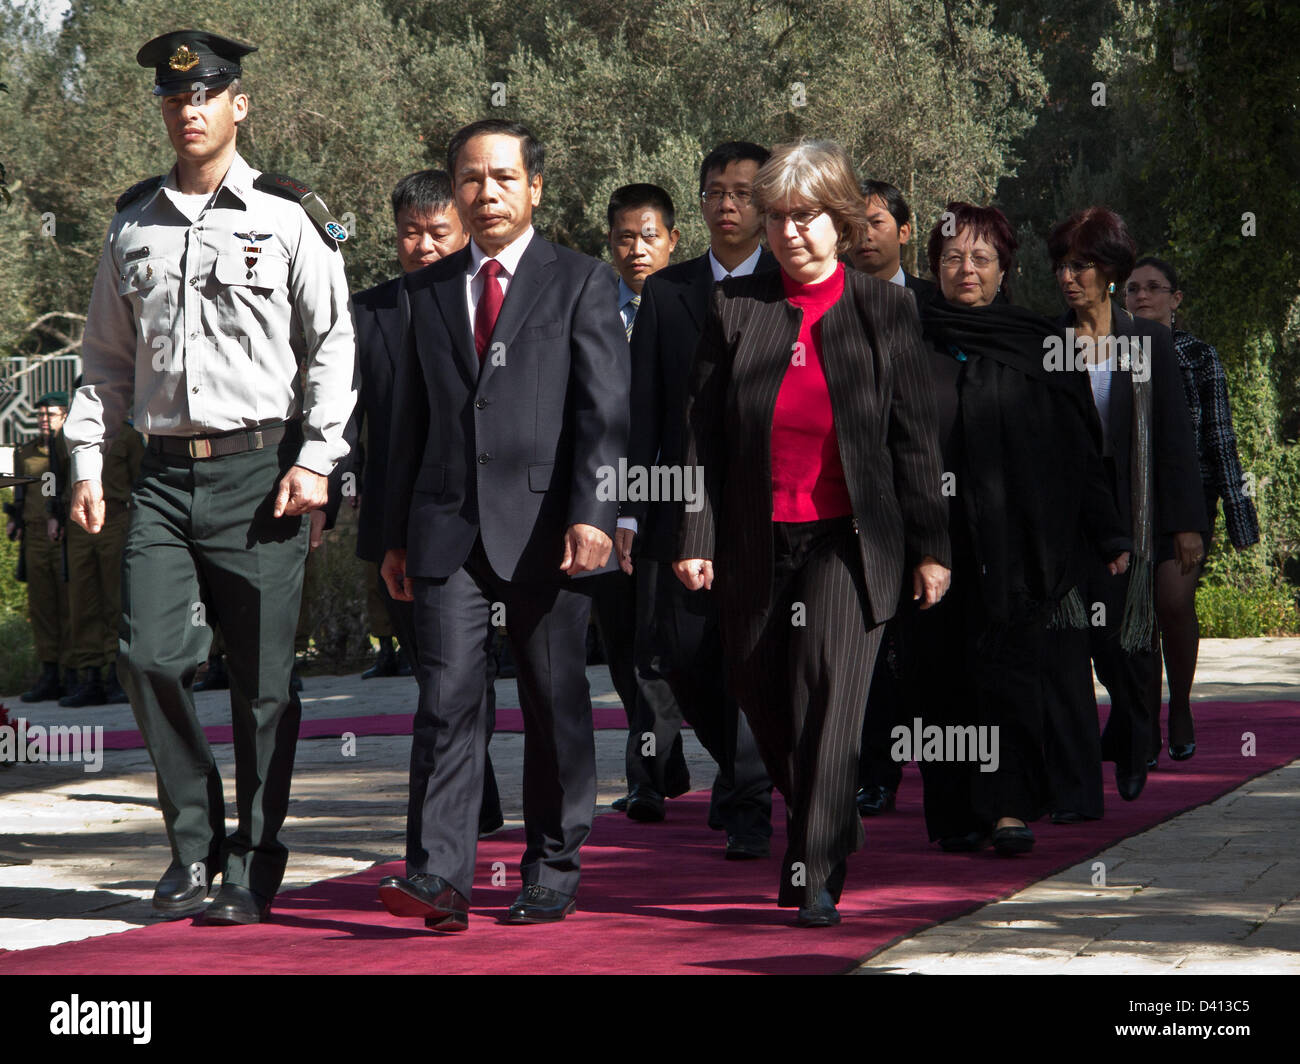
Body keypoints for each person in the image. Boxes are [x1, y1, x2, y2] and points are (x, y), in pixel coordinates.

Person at [63, 30, 357, 925]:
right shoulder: (133, 223)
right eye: (174, 98)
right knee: (148, 656)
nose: (188, 111)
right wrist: (84, 456)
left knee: (264, 683)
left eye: (206, 95)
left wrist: (318, 458)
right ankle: (191, 844)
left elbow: (334, 344)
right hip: (160, 478)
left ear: (239, 106)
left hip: (261, 475)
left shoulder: (289, 215)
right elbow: (105, 363)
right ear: (162, 109)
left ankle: (253, 860)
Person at [676, 139, 951, 926]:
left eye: (806, 218)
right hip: (753, 542)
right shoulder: (736, 309)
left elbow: (914, 438)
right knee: (767, 703)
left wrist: (933, 548)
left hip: (850, 541)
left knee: (830, 699)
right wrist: (694, 535)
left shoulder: (885, 309)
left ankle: (816, 866)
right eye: (777, 220)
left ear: (840, 221)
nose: (789, 234)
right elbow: (700, 434)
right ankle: (827, 820)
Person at [379, 119, 628, 931]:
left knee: (555, 702)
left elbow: (605, 415)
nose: (487, 193)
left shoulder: (582, 281)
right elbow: (404, 425)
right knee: (446, 700)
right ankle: (439, 877)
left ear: (535, 188)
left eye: (503, 177)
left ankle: (553, 864)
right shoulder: (425, 291)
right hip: (446, 530)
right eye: (472, 179)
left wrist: (595, 516)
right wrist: (391, 536)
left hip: (551, 532)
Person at [910, 202, 1130, 855]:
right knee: (940, 679)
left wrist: (1108, 533)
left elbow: (1079, 451)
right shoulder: (908, 340)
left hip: (1017, 552)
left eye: (981, 257)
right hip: (930, 549)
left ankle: (1008, 808)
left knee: (1007, 677)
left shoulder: (1039, 346)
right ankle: (955, 812)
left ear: (1004, 267)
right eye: (952, 257)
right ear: (934, 267)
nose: (966, 269)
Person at [623, 142, 774, 851]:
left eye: (743, 192)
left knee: (756, 652)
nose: (728, 204)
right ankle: (741, 764)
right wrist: (628, 506)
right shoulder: (668, 292)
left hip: (773, 507)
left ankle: (749, 799)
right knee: (680, 656)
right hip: (678, 504)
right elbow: (643, 410)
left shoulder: (791, 286)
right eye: (716, 191)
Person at [347, 168, 503, 836]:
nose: (424, 245)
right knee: (437, 674)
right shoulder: (369, 312)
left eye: (438, 231)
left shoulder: (495, 299)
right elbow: (349, 416)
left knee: (474, 670)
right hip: (403, 520)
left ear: (464, 229)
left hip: (493, 514)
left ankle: (470, 804)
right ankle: (476, 800)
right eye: (411, 233)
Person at [1044, 207, 1206, 807]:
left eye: (1081, 265)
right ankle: (1092, 761)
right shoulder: (1048, 343)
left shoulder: (1149, 341)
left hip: (1138, 511)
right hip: (1074, 517)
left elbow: (1173, 437)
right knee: (1079, 641)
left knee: (1128, 641)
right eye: (1062, 265)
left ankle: (1137, 741)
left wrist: (1186, 522)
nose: (1069, 276)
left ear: (1109, 272)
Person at [1126, 257, 1260, 763]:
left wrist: (1238, 519)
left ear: (1176, 299)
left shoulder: (1200, 357)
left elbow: (1221, 438)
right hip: (1126, 502)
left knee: (1174, 602)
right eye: (1133, 288)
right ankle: (1139, 720)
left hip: (1188, 502)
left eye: (1155, 288)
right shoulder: (1109, 352)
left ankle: (1179, 705)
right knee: (1133, 613)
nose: (1142, 296)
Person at [587, 182, 691, 814]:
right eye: (625, 237)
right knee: (622, 642)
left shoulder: (690, 307)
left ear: (673, 240)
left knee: (659, 645)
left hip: (669, 498)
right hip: (601, 500)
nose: (637, 249)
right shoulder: (592, 310)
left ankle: (646, 781)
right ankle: (665, 765)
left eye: (650, 235)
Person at [845, 178, 936, 818]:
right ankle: (874, 773)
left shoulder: (937, 306)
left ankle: (946, 771)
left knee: (931, 647)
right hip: (853, 510)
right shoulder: (828, 304)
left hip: (931, 501)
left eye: (876, 222)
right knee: (871, 650)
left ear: (904, 231)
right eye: (853, 223)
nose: (863, 235)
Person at [52, 402, 145, 707]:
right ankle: (89, 674)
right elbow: (55, 478)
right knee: (81, 600)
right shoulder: (66, 436)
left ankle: (117, 675)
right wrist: (52, 514)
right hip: (77, 522)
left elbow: (140, 481)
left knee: (115, 597)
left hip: (116, 518)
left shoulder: (129, 437)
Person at [6, 393, 72, 703]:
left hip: (63, 534)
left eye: (51, 415)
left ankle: (74, 671)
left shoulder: (71, 449)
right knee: (41, 606)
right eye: (41, 415)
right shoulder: (26, 453)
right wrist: (15, 519)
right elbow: (21, 491)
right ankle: (50, 671)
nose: (44, 420)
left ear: (64, 416)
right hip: (34, 535)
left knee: (69, 605)